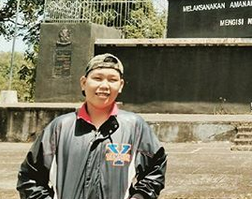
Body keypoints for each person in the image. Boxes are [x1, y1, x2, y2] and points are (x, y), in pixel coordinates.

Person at [17, 53, 167, 199]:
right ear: (83, 82)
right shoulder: (60, 127)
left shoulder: (135, 126)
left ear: (120, 85)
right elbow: (30, 177)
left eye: (112, 79)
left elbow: (155, 169)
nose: (104, 85)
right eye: (97, 78)